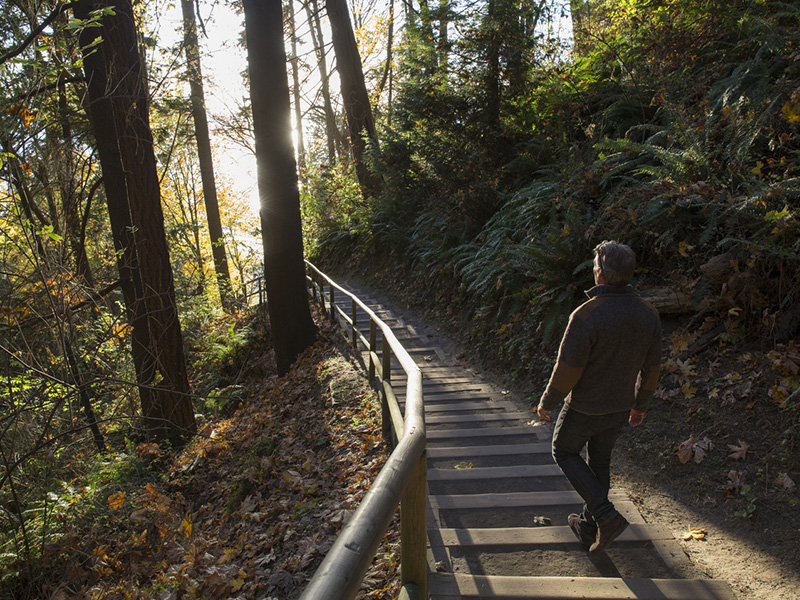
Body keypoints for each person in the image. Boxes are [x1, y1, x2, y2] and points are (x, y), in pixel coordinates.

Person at [536, 240, 662, 553]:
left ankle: (606, 517)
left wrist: (548, 402)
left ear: (601, 274)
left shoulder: (586, 314)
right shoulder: (648, 314)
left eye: (596, 267)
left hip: (584, 407)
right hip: (620, 407)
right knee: (600, 462)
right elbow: (653, 367)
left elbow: (568, 369)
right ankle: (588, 526)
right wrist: (640, 404)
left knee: (563, 451)